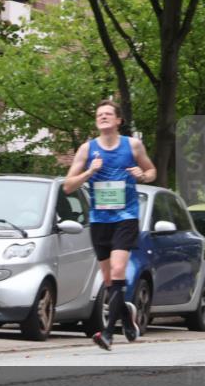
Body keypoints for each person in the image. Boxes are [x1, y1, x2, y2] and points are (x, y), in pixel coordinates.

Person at [63, 100, 157, 351]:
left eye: (108, 114)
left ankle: (107, 333)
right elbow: (68, 186)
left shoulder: (132, 145)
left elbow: (151, 172)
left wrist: (142, 175)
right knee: (108, 281)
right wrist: (89, 173)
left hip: (125, 218)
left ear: (118, 121)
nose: (103, 117)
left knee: (117, 272)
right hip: (99, 220)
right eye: (99, 115)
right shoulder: (87, 149)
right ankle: (127, 318)